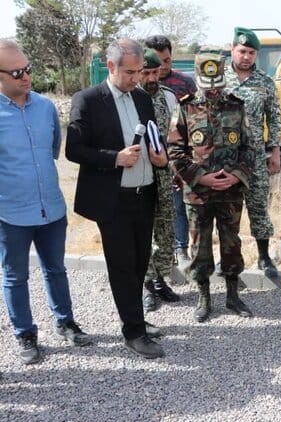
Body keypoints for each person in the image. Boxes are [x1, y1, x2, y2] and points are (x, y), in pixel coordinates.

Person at [66, 39, 168, 359]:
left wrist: (160, 155)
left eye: (140, 71)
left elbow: (154, 137)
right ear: (110, 66)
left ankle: (135, 316)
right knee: (122, 266)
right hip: (114, 200)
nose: (137, 79)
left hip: (145, 194)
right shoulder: (87, 100)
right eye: (130, 73)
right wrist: (115, 158)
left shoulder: (142, 98)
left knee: (139, 262)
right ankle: (134, 333)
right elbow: (74, 150)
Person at [0, 39, 91, 365]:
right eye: (16, 73)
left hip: (51, 208)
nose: (26, 76)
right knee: (15, 277)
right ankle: (25, 333)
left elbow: (53, 150)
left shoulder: (45, 108)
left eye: (28, 69)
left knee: (56, 269)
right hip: (10, 214)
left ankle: (65, 322)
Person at [167, 53, 255, 322]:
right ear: (198, 81)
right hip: (198, 194)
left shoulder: (237, 107)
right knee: (199, 248)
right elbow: (174, 151)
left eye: (218, 85)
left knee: (232, 245)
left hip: (230, 193)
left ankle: (232, 295)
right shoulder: (185, 108)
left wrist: (237, 176)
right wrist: (201, 178)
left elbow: (249, 148)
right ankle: (203, 297)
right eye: (208, 86)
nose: (214, 91)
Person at [224, 27, 281, 278]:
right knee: (227, 209)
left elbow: (275, 119)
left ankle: (264, 256)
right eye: (242, 51)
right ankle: (228, 257)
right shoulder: (218, 79)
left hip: (255, 157)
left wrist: (275, 151)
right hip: (226, 157)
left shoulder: (265, 82)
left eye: (251, 52)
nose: (246, 57)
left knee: (258, 206)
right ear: (232, 50)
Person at [145, 35, 197, 265]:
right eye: (157, 62)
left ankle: (180, 249)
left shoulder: (184, 84)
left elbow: (195, 121)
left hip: (175, 159)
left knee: (178, 205)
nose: (163, 67)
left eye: (166, 61)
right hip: (145, 161)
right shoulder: (138, 88)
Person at [138, 48, 180, 312]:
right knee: (143, 230)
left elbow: (176, 137)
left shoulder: (169, 97)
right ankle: (146, 285)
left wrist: (175, 167)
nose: (152, 78)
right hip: (139, 175)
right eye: (146, 73)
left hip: (164, 174)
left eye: (155, 72)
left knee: (165, 230)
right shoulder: (130, 99)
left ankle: (160, 278)